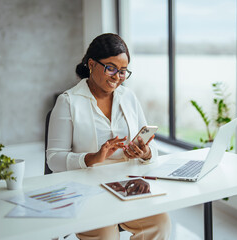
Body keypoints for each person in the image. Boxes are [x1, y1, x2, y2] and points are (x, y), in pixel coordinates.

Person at [46, 33, 171, 240]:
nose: (117, 77)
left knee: (160, 223)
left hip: (127, 187)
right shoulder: (68, 102)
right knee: (106, 235)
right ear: (92, 64)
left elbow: (150, 145)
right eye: (111, 68)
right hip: (86, 190)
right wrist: (91, 158)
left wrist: (145, 152)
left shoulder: (129, 97)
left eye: (123, 71)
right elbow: (54, 159)